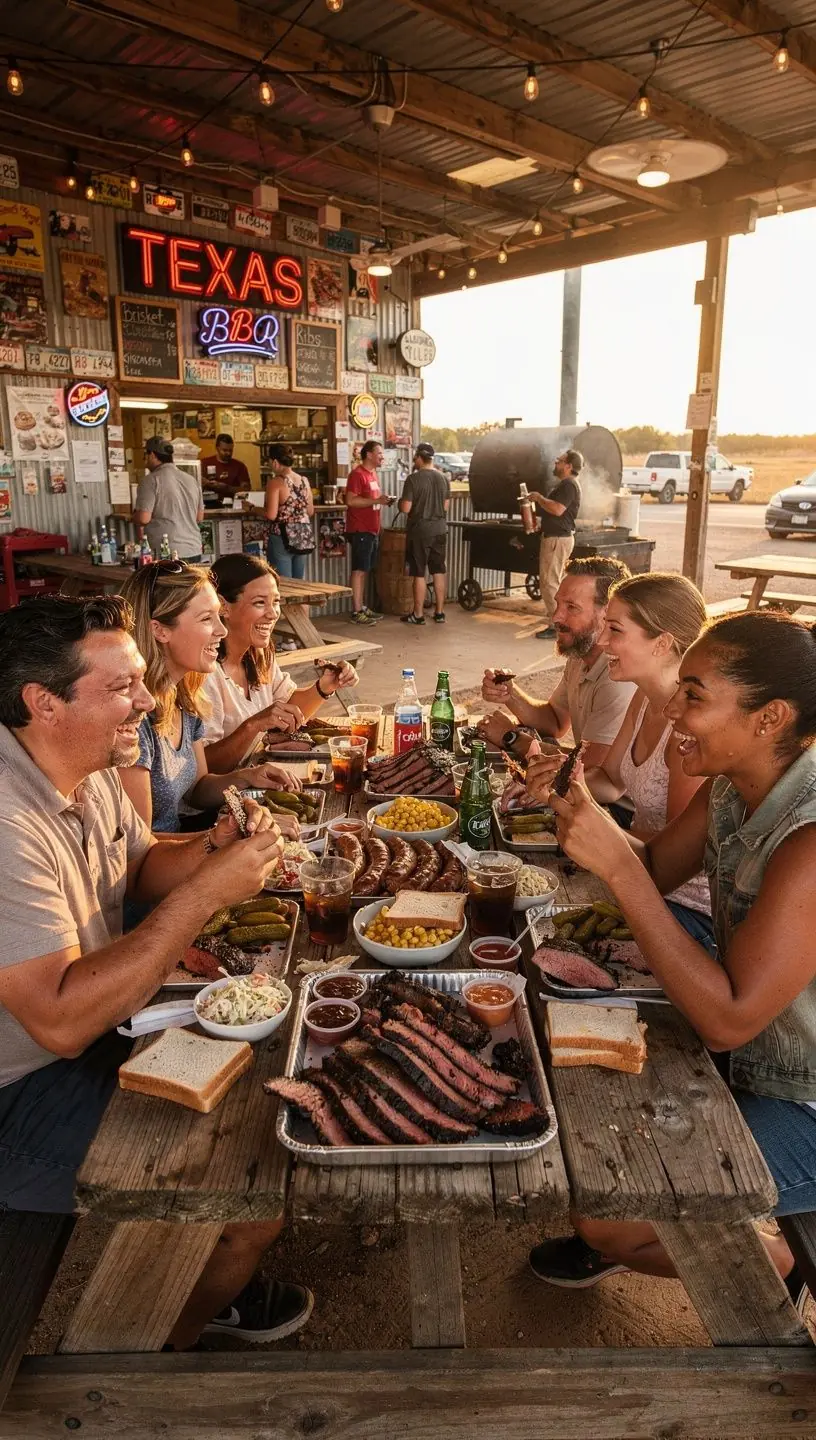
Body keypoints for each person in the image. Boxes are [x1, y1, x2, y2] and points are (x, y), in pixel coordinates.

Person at [0, 595, 314, 1346]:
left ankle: (203, 1282)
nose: (146, 701)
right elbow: (62, 1021)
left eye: (142, 680)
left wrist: (209, 849)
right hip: (19, 1088)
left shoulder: (92, 760)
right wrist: (210, 891)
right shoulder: (6, 822)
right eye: (122, 688)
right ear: (44, 703)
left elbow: (137, 866)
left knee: (261, 1091)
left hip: (90, 1034)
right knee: (248, 1191)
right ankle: (145, 1361)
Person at [529, 610, 816, 1295]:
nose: (672, 707)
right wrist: (587, 819)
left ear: (769, 717)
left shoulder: (808, 839)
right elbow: (656, 867)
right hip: (755, 1056)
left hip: (803, 1097)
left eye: (695, 695)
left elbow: (728, 1020)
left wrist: (618, 871)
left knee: (609, 1212)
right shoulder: (731, 785)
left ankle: (768, 1265)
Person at [527, 572, 713, 948]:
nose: (602, 640)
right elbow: (611, 782)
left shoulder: (688, 729)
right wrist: (564, 780)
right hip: (635, 871)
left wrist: (596, 831)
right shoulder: (643, 699)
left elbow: (673, 852)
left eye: (615, 630)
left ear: (662, 643)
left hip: (682, 906)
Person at [117, 562, 299, 836]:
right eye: (206, 619)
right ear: (160, 630)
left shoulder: (184, 696)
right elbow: (138, 850)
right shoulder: (133, 719)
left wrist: (247, 776)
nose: (222, 630)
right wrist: (234, 834)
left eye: (218, 616)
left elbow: (197, 789)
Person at [202, 553, 359, 772]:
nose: (273, 613)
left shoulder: (260, 654)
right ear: (223, 607)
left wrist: (324, 687)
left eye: (276, 602)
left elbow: (287, 706)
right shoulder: (205, 673)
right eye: (259, 603)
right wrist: (253, 726)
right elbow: (204, 766)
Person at [479, 556, 635, 772]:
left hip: (612, 803)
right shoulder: (581, 655)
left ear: (608, 613)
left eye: (571, 607)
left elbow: (590, 767)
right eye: (558, 604)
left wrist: (511, 737)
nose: (556, 617)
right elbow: (554, 721)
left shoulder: (619, 677)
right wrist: (510, 694)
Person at [525, 449, 584, 640]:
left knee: (549, 584)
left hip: (557, 539)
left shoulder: (568, 485)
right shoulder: (566, 485)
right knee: (554, 583)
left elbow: (558, 510)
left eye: (559, 461)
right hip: (557, 537)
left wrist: (540, 499)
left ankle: (556, 625)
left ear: (568, 466)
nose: (555, 464)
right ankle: (560, 622)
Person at [398, 441, 450, 626]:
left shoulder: (413, 479)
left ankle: (418, 615)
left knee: (419, 573)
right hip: (440, 530)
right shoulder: (444, 478)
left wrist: (398, 503)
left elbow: (405, 508)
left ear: (419, 458)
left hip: (420, 531)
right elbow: (446, 506)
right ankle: (440, 612)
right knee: (438, 570)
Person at [344, 440, 395, 625]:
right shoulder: (357, 475)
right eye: (379, 453)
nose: (382, 457)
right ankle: (356, 611)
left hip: (372, 528)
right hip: (360, 529)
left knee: (365, 569)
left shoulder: (373, 474)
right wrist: (377, 501)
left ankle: (362, 606)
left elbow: (372, 500)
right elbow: (351, 501)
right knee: (359, 570)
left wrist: (382, 501)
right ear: (369, 455)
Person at [134, 437, 204, 563]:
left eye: (145, 454)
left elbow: (143, 518)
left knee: (166, 583)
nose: (144, 459)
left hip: (166, 552)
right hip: (193, 549)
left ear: (152, 455)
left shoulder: (150, 480)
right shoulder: (191, 480)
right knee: (191, 583)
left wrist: (134, 516)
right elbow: (199, 517)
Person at [263, 444, 314, 580]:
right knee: (297, 583)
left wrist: (251, 509)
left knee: (283, 584)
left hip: (281, 537)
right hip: (302, 536)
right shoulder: (304, 481)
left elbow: (271, 515)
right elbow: (310, 511)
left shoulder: (275, 483)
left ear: (274, 462)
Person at [202, 433, 251, 505]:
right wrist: (205, 483)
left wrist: (227, 488)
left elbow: (246, 490)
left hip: (233, 505)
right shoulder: (204, 463)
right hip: (208, 504)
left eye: (230, 450)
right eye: (225, 450)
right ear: (217, 448)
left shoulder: (240, 466)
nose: (228, 453)